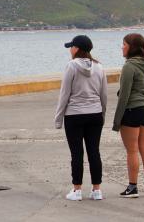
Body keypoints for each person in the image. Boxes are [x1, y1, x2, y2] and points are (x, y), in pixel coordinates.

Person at [55, 35, 107, 201]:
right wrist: (102, 114)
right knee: (94, 152)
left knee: (77, 153)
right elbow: (103, 94)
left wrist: (58, 119)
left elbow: (65, 94)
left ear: (77, 49)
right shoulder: (99, 67)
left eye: (72, 47)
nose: (70, 50)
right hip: (95, 114)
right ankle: (96, 189)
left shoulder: (71, 66)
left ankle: (77, 190)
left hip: (75, 115)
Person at [113, 33, 144, 198]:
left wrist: (117, 121)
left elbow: (124, 95)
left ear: (131, 47)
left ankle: (132, 187)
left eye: (124, 44)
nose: (122, 47)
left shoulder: (129, 66)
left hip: (132, 109)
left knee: (132, 150)